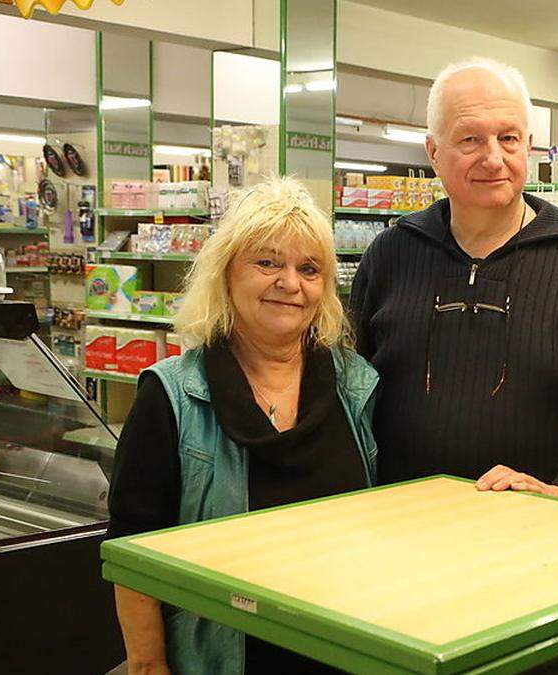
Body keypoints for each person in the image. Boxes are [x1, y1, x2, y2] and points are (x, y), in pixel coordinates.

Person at [348, 57, 558, 673]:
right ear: (433, 152)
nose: (492, 156)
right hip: (401, 555)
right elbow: (351, 386)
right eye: (470, 140)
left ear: (529, 147)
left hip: (542, 559)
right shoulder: (391, 255)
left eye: (508, 138)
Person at [107, 177, 379, 675]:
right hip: (224, 658)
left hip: (344, 652)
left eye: (309, 268)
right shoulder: (172, 396)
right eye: (268, 262)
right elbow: (133, 548)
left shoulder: (356, 386)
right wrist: (147, 665)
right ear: (226, 273)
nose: (290, 283)